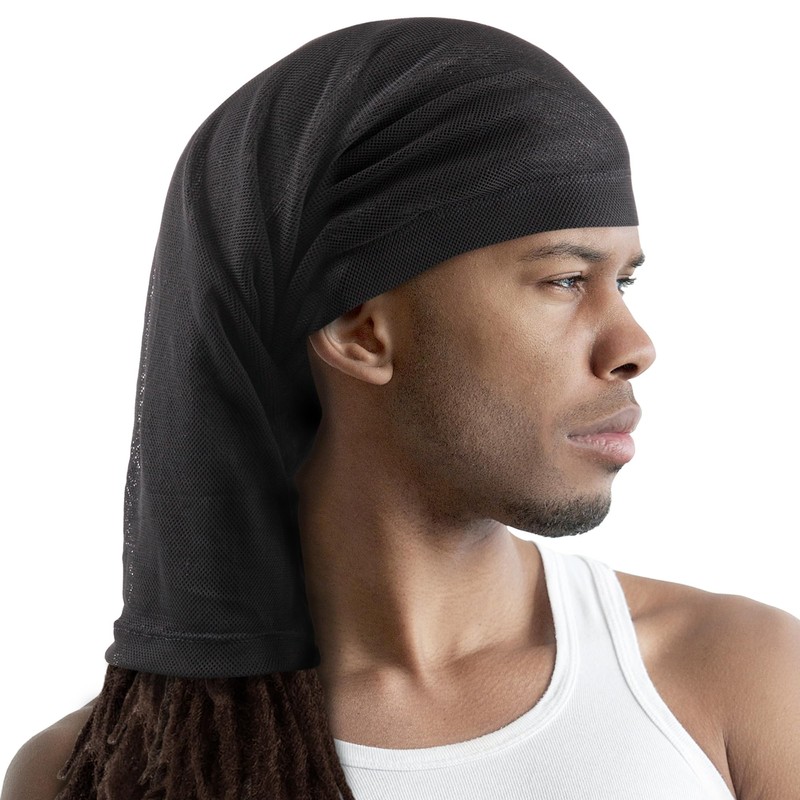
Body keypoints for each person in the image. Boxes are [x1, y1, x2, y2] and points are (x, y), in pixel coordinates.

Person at [3, 16, 798, 800]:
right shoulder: (97, 773)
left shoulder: (741, 682)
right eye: (564, 280)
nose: (634, 345)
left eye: (623, 282)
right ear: (360, 329)